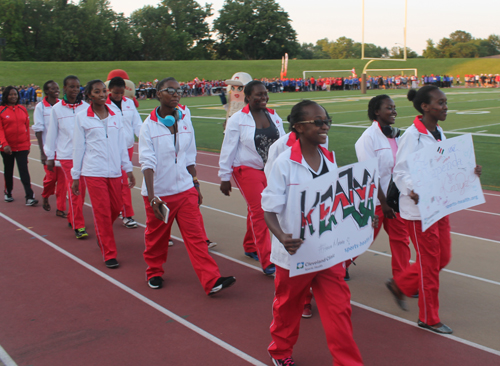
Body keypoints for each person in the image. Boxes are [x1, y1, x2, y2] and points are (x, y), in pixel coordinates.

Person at [262, 100, 364, 366]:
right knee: (287, 309)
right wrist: (282, 237)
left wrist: (359, 220)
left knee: (339, 310)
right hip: (294, 255)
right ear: (298, 127)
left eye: (326, 120)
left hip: (328, 253)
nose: (325, 126)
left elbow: (337, 204)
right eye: (317, 122)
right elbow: (269, 209)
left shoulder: (329, 160)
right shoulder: (284, 163)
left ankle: (348, 362)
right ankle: (280, 352)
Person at [387, 86, 482, 334]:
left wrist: (468, 170)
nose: (445, 107)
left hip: (440, 205)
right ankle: (429, 318)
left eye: (446, 102)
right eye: (440, 103)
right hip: (419, 211)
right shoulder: (412, 136)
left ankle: (400, 285)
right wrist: (411, 189)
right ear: (425, 107)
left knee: (443, 257)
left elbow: (445, 164)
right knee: (428, 265)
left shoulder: (438, 131)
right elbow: (400, 172)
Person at [139, 77, 235, 294]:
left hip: (185, 190)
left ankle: (212, 281)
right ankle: (154, 272)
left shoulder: (184, 119)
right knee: (156, 239)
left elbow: (189, 155)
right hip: (160, 194)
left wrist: (195, 184)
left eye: (178, 90)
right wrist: (153, 196)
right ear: (158, 94)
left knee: (197, 238)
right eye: (169, 90)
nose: (175, 94)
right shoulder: (148, 126)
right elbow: (147, 162)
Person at [218, 80, 286, 275]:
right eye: (258, 95)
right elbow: (228, 148)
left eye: (265, 94)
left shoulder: (274, 116)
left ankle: (249, 245)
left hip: (270, 169)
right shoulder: (238, 119)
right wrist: (224, 176)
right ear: (248, 97)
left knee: (259, 207)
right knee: (261, 211)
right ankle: (268, 261)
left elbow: (283, 143)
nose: (263, 98)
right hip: (245, 168)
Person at [71, 80, 135, 268]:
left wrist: (128, 169)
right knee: (101, 213)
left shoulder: (116, 116)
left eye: (103, 91)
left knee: (115, 208)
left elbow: (122, 145)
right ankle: (109, 253)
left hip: (115, 171)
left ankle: (102, 233)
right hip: (93, 172)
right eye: (96, 92)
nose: (101, 94)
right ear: (89, 95)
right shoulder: (82, 117)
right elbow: (78, 148)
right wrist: (76, 176)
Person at [351, 95, 411, 280]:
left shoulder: (396, 136)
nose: (394, 111)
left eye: (394, 107)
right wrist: (383, 203)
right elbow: (369, 174)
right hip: (374, 201)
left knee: (401, 239)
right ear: (377, 111)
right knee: (362, 239)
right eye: (389, 108)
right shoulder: (367, 139)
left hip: (395, 200)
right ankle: (338, 266)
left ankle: (402, 278)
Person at [44, 75, 90, 239]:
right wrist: (50, 155)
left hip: (85, 155)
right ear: (64, 88)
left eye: (77, 87)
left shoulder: (86, 107)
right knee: (76, 189)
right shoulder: (57, 109)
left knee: (81, 191)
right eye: (71, 87)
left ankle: (73, 216)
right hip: (67, 156)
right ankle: (79, 225)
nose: (75, 90)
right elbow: (52, 134)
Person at [105, 76, 142, 229]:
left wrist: (145, 140)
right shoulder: (103, 105)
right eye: (116, 93)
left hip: (127, 147)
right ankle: (116, 209)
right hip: (110, 149)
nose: (119, 96)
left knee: (124, 181)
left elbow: (137, 123)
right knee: (115, 182)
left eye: (121, 93)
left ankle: (127, 214)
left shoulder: (129, 104)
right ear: (110, 90)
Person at [33, 80, 67, 217]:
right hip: (49, 150)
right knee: (51, 178)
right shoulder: (40, 107)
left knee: (63, 181)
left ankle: (60, 208)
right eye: (53, 88)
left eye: (57, 88)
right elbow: (39, 130)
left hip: (63, 150)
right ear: (47, 91)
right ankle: (46, 195)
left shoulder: (61, 105)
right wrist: (42, 153)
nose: (56, 90)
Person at [0, 86, 38, 206]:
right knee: (9, 170)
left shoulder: (22, 109)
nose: (13, 97)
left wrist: (27, 144)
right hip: (7, 147)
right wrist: (4, 144)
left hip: (22, 146)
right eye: (11, 94)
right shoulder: (1, 110)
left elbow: (26, 127)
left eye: (15, 94)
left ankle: (29, 196)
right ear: (6, 96)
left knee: (24, 171)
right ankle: (8, 192)